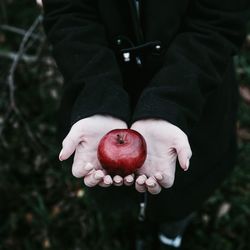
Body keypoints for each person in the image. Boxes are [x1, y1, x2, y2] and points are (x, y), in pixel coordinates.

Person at [41, 0, 249, 249]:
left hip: (197, 99)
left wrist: (171, 104)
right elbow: (67, 12)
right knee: (121, 194)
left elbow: (220, 20)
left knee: (184, 192)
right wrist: (97, 94)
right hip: (102, 95)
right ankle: (140, 221)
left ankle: (170, 237)